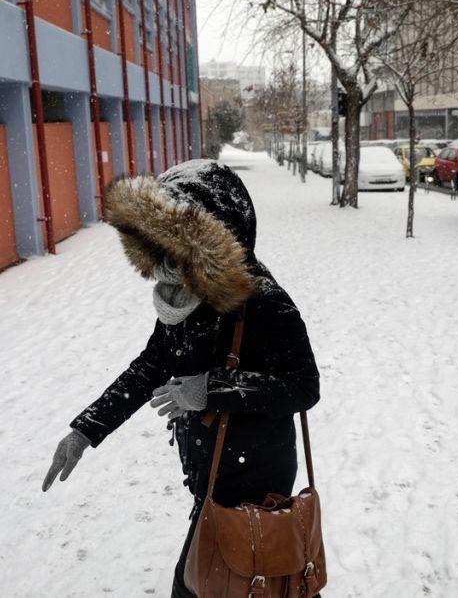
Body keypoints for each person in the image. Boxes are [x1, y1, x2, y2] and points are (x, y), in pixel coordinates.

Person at [41, 159, 320, 597]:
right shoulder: (182, 297)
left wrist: (210, 389)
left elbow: (304, 385)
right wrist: (86, 429)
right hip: (209, 480)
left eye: (173, 241)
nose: (162, 257)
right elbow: (151, 364)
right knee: (243, 584)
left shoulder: (264, 301)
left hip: (254, 479)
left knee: (211, 585)